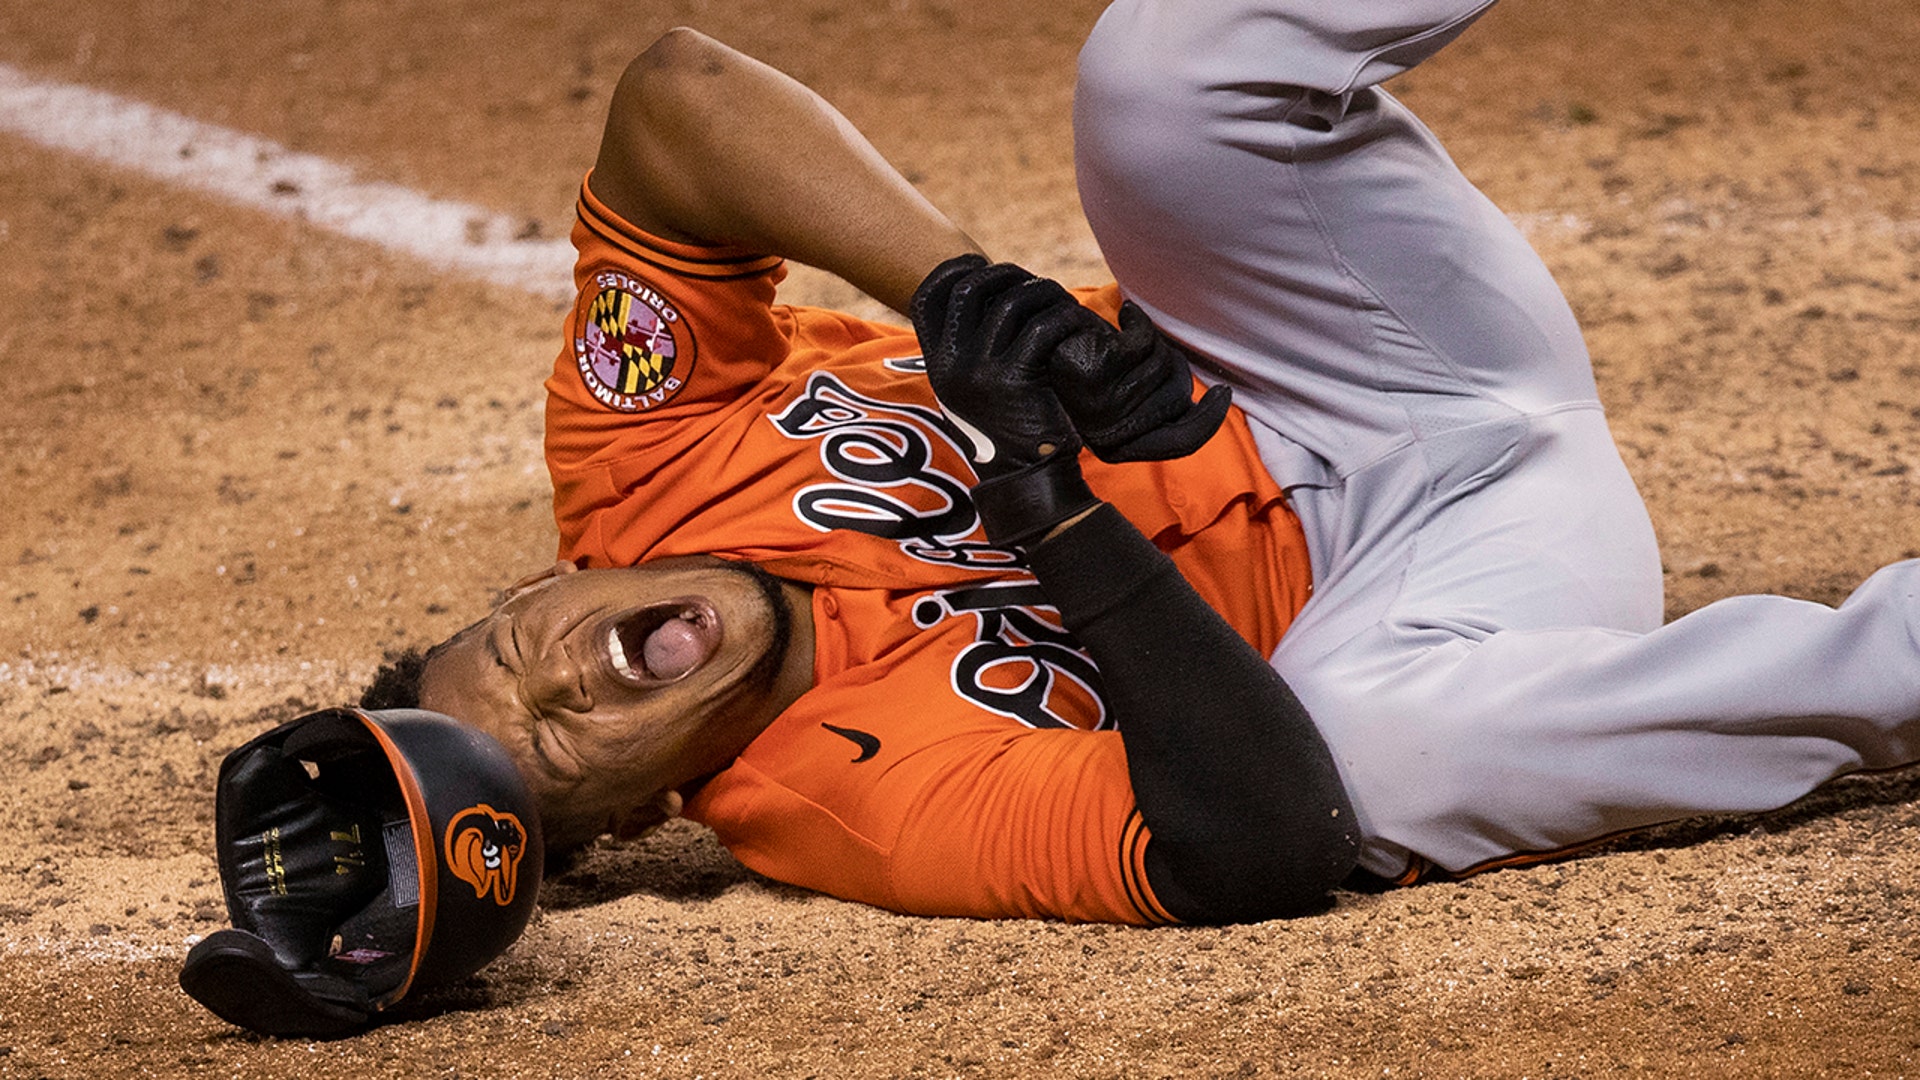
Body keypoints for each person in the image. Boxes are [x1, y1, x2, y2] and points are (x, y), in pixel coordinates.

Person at [365, 3, 1920, 925]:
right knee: (1374, 764)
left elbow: (677, 100)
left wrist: (961, 294)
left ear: (550, 580)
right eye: (559, 750)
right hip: (1454, 580)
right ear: (644, 820)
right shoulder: (847, 806)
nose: (573, 681)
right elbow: (1258, 836)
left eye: (520, 654)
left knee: (1161, 78)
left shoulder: (643, 454)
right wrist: (1057, 527)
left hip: (1337, 338)